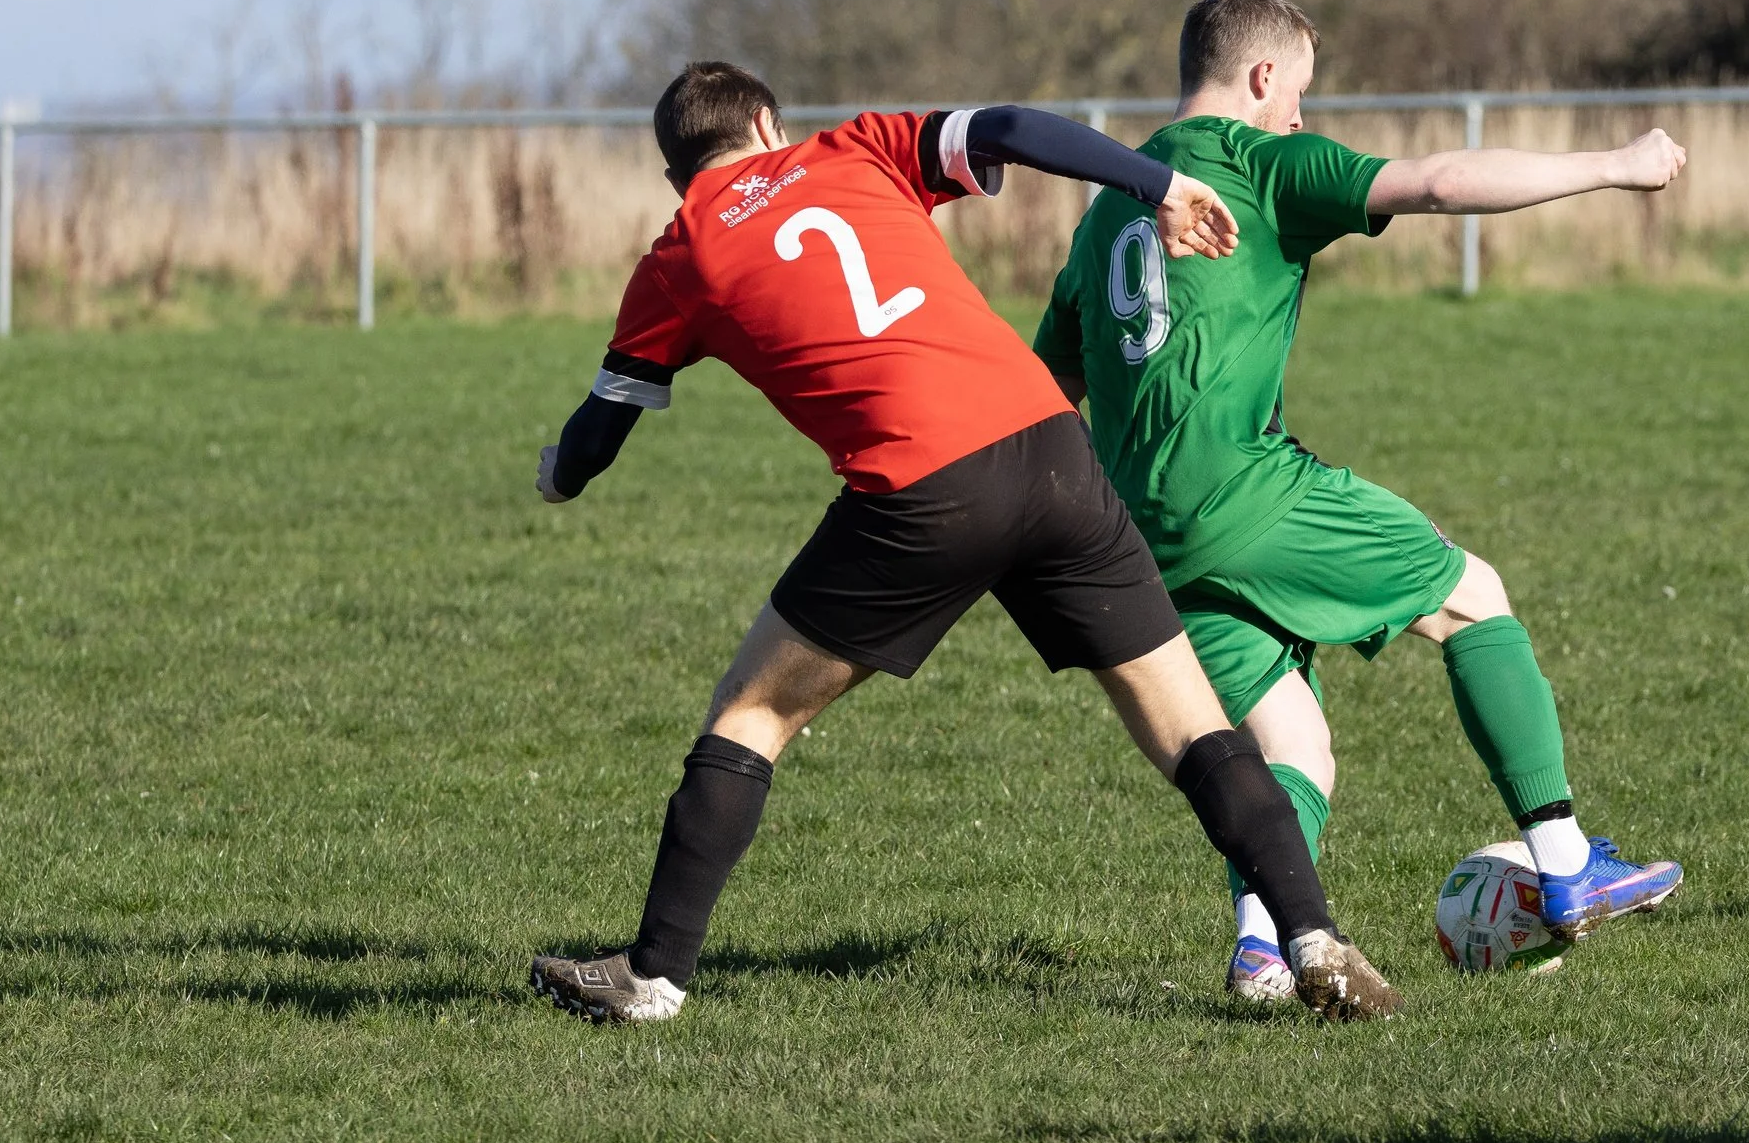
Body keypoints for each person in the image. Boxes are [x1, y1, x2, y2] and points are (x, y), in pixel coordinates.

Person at [526, 60, 1400, 1024]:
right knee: (1195, 729)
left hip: (921, 486)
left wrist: (556, 472)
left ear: (675, 173)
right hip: (1051, 450)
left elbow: (598, 437)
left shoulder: (678, 253)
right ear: (769, 125)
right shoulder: (855, 147)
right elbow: (1016, 125)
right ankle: (1313, 937)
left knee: (753, 716)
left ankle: (654, 978)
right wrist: (1162, 183)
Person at [1032, 0, 1689, 1003]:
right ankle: (1566, 868)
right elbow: (1436, 181)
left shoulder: (1108, 205)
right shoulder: (1258, 161)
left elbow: (1047, 390)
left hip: (1145, 535)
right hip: (1245, 490)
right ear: (1260, 79)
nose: (1301, 115)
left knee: (1291, 740)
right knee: (1472, 592)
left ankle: (1263, 944)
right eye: (1296, 91)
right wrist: (1613, 166)